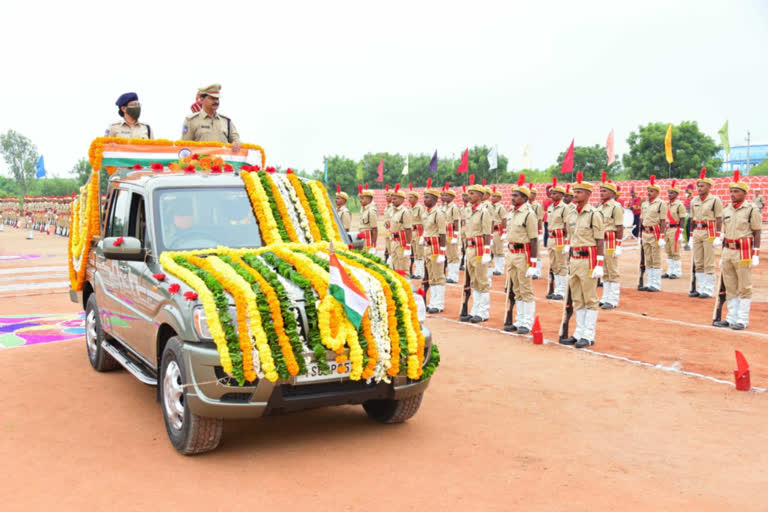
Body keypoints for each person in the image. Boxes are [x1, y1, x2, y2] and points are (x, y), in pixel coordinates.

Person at [560, 173, 604, 349]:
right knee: (577, 298)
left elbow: (600, 240)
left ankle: (588, 334)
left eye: (579, 192)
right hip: (575, 259)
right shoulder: (571, 213)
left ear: (587, 194)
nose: (575, 195)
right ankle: (579, 332)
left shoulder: (594, 214)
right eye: (574, 192)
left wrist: (599, 263)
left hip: (589, 259)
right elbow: (570, 236)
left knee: (589, 298)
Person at [713, 171, 761, 330]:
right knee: (730, 285)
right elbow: (726, 232)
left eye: (736, 191)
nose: (732, 194)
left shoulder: (751, 209)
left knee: (744, 286)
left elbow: (756, 231)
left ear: (744, 194)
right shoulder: (726, 209)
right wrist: (722, 252)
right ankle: (731, 318)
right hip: (728, 250)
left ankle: (742, 319)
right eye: (731, 191)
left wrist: (756, 253)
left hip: (744, 252)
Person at [502, 180, 538, 334]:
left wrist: (533, 263)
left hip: (523, 255)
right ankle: (519, 320)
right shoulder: (511, 212)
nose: (513, 198)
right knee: (516, 288)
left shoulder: (529, 214)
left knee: (525, 289)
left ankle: (527, 322)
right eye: (512, 195)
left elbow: (534, 239)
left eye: (516, 196)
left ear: (524, 198)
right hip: (511, 254)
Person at [460, 178, 492, 323]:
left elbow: (486, 233)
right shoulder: (468, 211)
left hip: (479, 249)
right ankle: (475, 308)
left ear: (479, 196)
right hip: (470, 248)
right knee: (474, 280)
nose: (469, 196)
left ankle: (483, 311)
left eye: (472, 194)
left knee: (482, 280)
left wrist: (486, 251)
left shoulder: (484, 212)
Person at [688, 169, 723, 298]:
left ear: (709, 187)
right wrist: (691, 236)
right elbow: (692, 219)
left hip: (709, 232)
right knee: (698, 262)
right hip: (697, 231)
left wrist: (718, 236)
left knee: (708, 262)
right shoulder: (694, 201)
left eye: (702, 186)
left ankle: (708, 289)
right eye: (698, 185)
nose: (699, 188)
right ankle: (701, 288)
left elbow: (719, 218)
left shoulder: (715, 200)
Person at [181, 84, 241, 152]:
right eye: (212, 98)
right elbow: (184, 147)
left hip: (222, 161)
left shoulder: (226, 121)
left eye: (217, 98)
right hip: (201, 161)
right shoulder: (191, 120)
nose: (216, 101)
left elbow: (236, 140)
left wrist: (236, 143)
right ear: (201, 100)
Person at [598, 173, 624, 309]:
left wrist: (619, 245)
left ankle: (613, 299)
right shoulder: (600, 207)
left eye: (604, 191)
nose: (601, 193)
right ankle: (605, 297)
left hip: (612, 241)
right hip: (602, 241)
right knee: (605, 270)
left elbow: (619, 227)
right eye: (600, 190)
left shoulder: (616, 207)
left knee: (612, 270)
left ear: (612, 193)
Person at [638, 175, 667, 292]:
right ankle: (649, 282)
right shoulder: (644, 204)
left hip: (654, 233)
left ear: (657, 192)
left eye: (651, 191)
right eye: (648, 191)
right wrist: (639, 235)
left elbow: (663, 221)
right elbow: (641, 220)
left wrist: (662, 236)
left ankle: (656, 284)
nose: (649, 193)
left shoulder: (661, 204)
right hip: (645, 233)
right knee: (648, 258)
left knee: (655, 258)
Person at [422, 181, 447, 313]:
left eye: (427, 197)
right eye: (424, 197)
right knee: (431, 275)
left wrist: (442, 252)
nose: (425, 199)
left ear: (435, 199)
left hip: (436, 247)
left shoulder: (439, 213)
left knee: (438, 275)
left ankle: (439, 303)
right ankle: (433, 301)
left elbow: (442, 233)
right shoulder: (426, 213)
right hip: (427, 247)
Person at [546, 178, 568, 300]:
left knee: (561, 264)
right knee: (554, 264)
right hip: (551, 238)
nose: (552, 195)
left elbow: (567, 225)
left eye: (555, 193)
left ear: (561, 195)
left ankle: (562, 290)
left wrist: (567, 242)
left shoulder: (565, 208)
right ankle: (557, 288)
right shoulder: (550, 207)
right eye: (552, 193)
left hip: (560, 238)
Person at [661, 181, 686, 279]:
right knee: (669, 251)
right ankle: (669, 271)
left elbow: (683, 218)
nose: (669, 194)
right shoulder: (667, 205)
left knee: (675, 251)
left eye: (672, 193)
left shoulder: (679, 205)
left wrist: (681, 232)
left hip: (675, 229)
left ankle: (677, 272)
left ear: (676, 194)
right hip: (667, 229)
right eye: (669, 192)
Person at [387, 185, 412, 275]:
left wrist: (408, 246)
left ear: (402, 200)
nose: (393, 201)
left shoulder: (404, 212)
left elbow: (408, 230)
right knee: (396, 267)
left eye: (395, 199)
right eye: (392, 199)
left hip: (402, 243)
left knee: (403, 268)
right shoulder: (392, 211)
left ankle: (406, 287)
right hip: (394, 242)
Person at [440, 184, 461, 283]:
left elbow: (456, 222)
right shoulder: (444, 207)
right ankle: (450, 274)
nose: (444, 197)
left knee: (453, 255)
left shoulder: (454, 208)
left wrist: (455, 235)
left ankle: (454, 276)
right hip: (445, 233)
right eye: (443, 195)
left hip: (451, 233)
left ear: (452, 197)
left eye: (447, 195)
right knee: (448, 255)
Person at [408, 186, 426, 279]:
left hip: (419, 233)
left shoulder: (419, 209)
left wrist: (423, 235)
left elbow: (423, 223)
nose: (409, 199)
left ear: (416, 198)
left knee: (420, 253)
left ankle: (421, 273)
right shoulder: (410, 208)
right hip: (412, 233)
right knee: (415, 253)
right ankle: (417, 271)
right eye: (408, 197)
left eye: (411, 197)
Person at [489, 187, 508, 276]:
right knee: (494, 250)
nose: (492, 198)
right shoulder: (491, 207)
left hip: (498, 230)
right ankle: (496, 267)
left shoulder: (500, 207)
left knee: (499, 250)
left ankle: (500, 269)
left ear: (499, 198)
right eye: (492, 196)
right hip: (493, 230)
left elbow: (504, 219)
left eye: (495, 196)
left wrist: (504, 231)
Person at [357, 185, 378, 254]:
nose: (360, 200)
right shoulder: (362, 209)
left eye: (362, 198)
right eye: (360, 198)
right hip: (361, 237)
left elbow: (374, 229)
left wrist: (373, 246)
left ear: (369, 199)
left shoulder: (371, 211)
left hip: (368, 239)